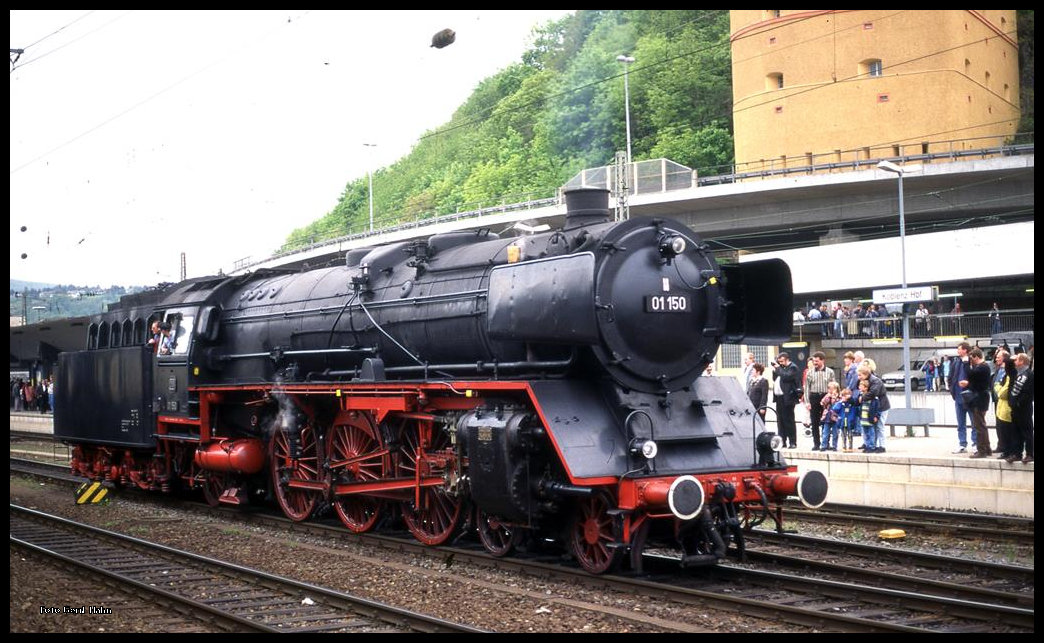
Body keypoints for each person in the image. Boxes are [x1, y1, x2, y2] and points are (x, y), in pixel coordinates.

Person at [804, 351, 836, 451]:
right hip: (814, 397)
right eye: (814, 361)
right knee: (814, 421)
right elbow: (806, 388)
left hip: (826, 397)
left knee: (826, 421)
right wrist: (807, 402)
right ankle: (816, 443)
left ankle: (825, 443)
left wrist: (833, 398)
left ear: (822, 360)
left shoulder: (830, 372)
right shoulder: (810, 372)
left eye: (817, 361)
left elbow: (834, 386)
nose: (815, 363)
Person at [855, 363, 889, 452]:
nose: (858, 377)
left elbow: (873, 393)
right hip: (871, 407)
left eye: (860, 375)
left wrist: (862, 398)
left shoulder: (875, 381)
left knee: (879, 426)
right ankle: (872, 445)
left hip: (881, 406)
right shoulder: (864, 381)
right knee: (872, 427)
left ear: (865, 374)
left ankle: (882, 446)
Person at [965, 348, 993, 458]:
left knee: (979, 426)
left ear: (976, 357)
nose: (971, 361)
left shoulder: (982, 367)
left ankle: (982, 450)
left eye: (972, 358)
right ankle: (987, 448)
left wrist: (966, 364)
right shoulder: (983, 367)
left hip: (980, 398)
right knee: (981, 424)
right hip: (981, 397)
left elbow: (970, 374)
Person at [772, 352, 802, 449]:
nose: (780, 363)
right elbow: (775, 378)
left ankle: (792, 441)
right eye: (779, 361)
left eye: (782, 361)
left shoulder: (793, 368)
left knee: (788, 420)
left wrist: (778, 368)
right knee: (780, 421)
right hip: (779, 397)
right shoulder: (781, 369)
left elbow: (786, 377)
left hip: (788, 397)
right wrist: (775, 370)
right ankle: (782, 441)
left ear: (787, 359)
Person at [1008, 352, 1034, 464]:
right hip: (1015, 408)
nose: (1015, 362)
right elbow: (1008, 365)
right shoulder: (1017, 373)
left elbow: (1028, 393)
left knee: (1027, 432)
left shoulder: (1029, 374)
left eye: (1017, 360)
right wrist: (1012, 403)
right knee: (1015, 431)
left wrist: (1019, 403)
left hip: (1024, 408)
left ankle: (1030, 454)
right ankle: (1017, 453)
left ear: (1022, 361)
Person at [992, 354, 1017, 463]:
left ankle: (1011, 451)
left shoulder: (1010, 376)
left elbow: (1003, 392)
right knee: (1002, 429)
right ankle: (1005, 449)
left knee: (1008, 431)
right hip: (1001, 407)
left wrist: (997, 386)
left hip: (1007, 407)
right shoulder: (1002, 372)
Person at [950, 342, 973, 453]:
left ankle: (975, 443)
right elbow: (952, 376)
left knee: (974, 421)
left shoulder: (971, 361)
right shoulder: (956, 362)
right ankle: (962, 443)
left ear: (965, 350)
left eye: (959, 349)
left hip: (969, 396)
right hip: (958, 396)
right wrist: (952, 389)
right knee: (960, 422)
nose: (958, 351)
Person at [817, 381, 842, 451]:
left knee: (835, 432)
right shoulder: (827, 396)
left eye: (833, 389)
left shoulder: (839, 397)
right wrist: (828, 397)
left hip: (835, 416)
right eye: (829, 389)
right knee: (825, 432)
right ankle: (824, 445)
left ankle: (834, 445)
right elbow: (822, 403)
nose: (831, 391)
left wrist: (834, 397)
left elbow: (839, 404)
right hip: (827, 416)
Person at [833, 387, 859, 452]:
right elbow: (835, 409)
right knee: (843, 435)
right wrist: (840, 401)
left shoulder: (852, 404)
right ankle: (844, 446)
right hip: (842, 422)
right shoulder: (841, 404)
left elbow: (856, 410)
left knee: (850, 435)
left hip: (850, 421)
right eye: (844, 396)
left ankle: (850, 447)